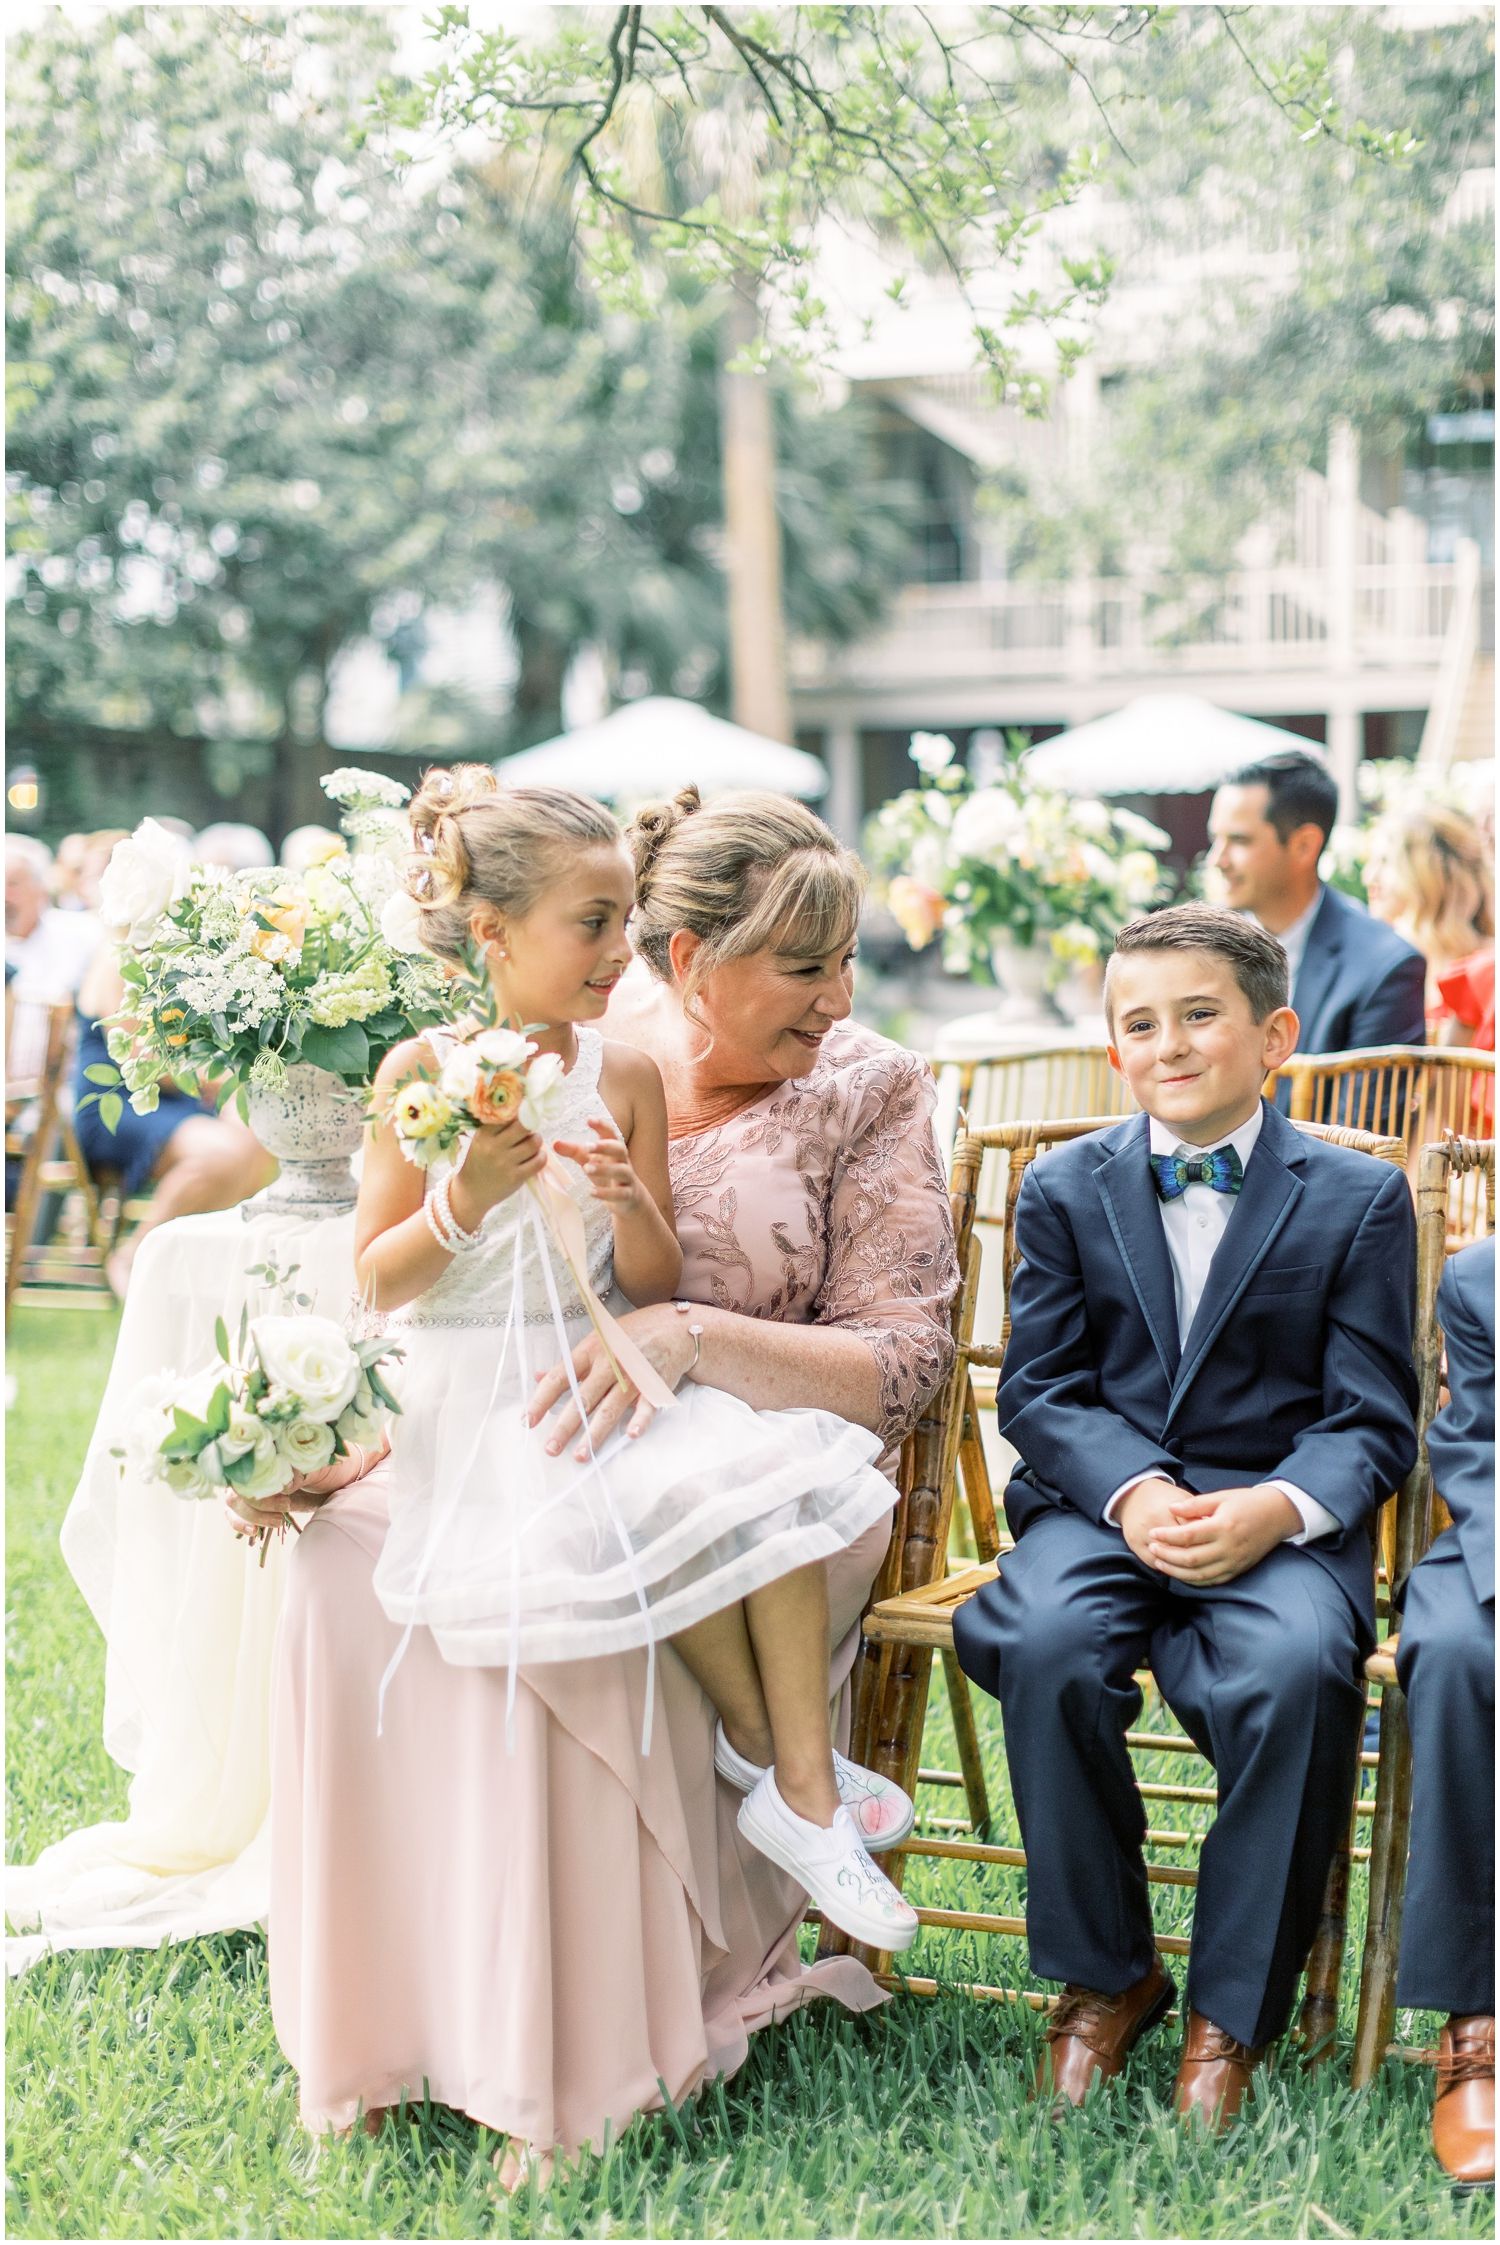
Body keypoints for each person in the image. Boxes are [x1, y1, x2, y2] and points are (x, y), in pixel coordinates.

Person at [264, 778, 958, 2179]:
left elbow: (877, 1349)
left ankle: (627, 1976)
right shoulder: (487, 1057)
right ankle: (396, 2020)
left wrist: (659, 1262)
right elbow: (384, 1278)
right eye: (804, 964)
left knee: (646, 1521)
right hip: (506, 1401)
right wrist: (460, 1206)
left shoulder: (831, 1084)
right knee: (346, 1559)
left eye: (843, 964)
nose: (837, 997)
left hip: (714, 1427)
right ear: (684, 959)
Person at [951, 902, 1418, 2131]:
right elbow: (1043, 1388)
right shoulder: (1064, 1187)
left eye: (1199, 1014)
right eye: (1139, 1023)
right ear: (1113, 1048)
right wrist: (1134, 1490)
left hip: (1276, 1520)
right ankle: (1108, 1975)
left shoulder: (1361, 1197)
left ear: (1276, 1035)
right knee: (1041, 1641)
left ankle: (1231, 2010)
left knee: (1299, 1668)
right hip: (1100, 1512)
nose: (1169, 1043)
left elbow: (1374, 1417)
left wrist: (1272, 1508)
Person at [1394, 1233, 1494, 2186]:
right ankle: (1477, 2023)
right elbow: (1474, 1444)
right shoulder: (1478, 1278)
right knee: (1461, 1651)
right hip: (1490, 1544)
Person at [71, 943, 276, 1299]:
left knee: (257, 1139)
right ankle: (136, 1257)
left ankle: (202, 1268)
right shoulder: (114, 959)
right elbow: (144, 1062)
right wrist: (232, 1080)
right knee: (223, 1155)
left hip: (178, 1101)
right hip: (120, 1103)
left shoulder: (185, 954)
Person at [1208, 751, 1427, 1058]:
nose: (1217, 859)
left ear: (1304, 845)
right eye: (1215, 839)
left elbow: (1368, 1105)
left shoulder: (1384, 967)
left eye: (1240, 840)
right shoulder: (1201, 948)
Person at [1365, 803, 1495, 1038]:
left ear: (1428, 872)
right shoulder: (1374, 964)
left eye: (1384, 862)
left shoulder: (1487, 971)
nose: (1369, 877)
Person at [5, 836, 104, 1077]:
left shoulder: (82, 934)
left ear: (40, 889)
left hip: (62, 1083)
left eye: (13, 884)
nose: (3, 895)